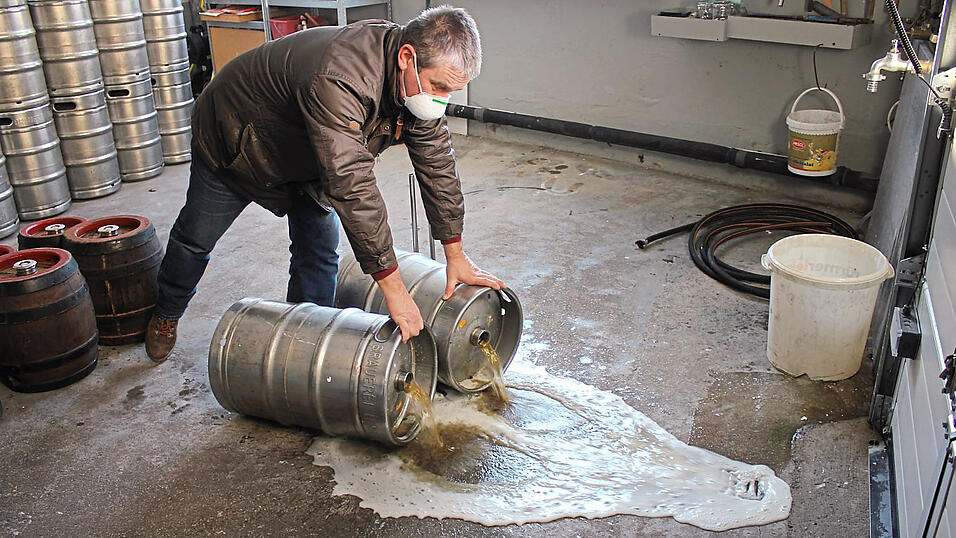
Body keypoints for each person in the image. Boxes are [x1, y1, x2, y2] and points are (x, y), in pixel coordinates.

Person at [145, 6, 505, 362]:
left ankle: (303, 346)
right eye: (439, 86)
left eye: (451, 91)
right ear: (406, 58)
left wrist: (455, 254)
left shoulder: (416, 88)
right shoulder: (340, 75)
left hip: (312, 154)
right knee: (195, 240)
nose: (441, 100)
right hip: (239, 139)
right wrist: (395, 291)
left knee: (318, 252)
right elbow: (352, 183)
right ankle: (167, 311)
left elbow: (438, 165)